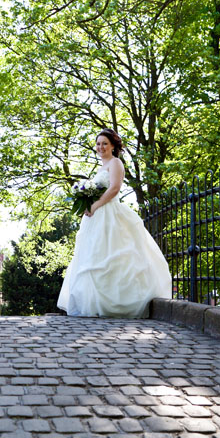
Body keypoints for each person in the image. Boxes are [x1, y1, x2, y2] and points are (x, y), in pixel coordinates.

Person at [57, 128, 171, 318]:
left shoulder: (116, 163)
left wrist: (95, 205)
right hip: (96, 217)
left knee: (114, 255)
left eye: (104, 144)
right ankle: (95, 304)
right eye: (98, 144)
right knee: (94, 256)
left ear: (113, 146)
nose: (100, 147)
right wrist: (88, 204)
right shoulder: (100, 167)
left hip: (110, 213)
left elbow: (115, 188)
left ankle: (117, 304)